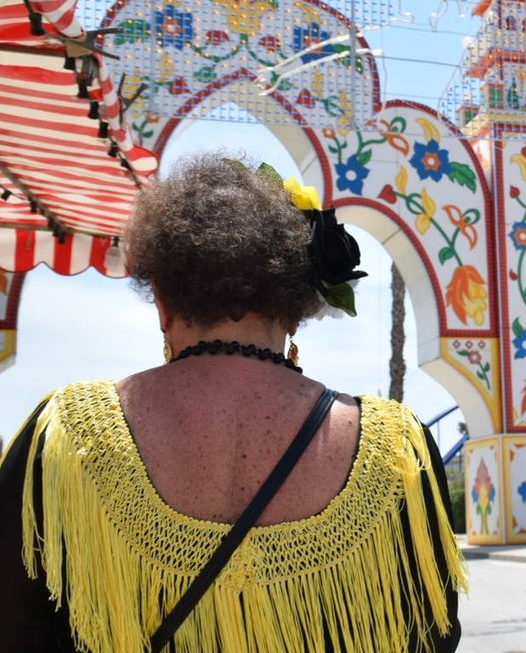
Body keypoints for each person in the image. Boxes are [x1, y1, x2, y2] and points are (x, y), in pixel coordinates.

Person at [0, 155, 466, 652]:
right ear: (296, 306)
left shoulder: (66, 431)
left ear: (161, 300)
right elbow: (432, 634)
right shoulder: (394, 443)